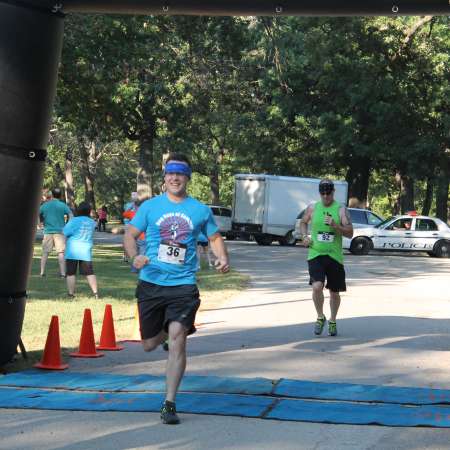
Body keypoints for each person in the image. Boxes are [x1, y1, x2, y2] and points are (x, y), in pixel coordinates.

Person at [123, 152, 229, 425]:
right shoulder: (149, 207)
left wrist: (222, 256)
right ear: (165, 177)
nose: (174, 178)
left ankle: (169, 403)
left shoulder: (199, 210)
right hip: (151, 282)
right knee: (148, 345)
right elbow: (130, 235)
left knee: (178, 336)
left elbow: (215, 237)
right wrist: (134, 256)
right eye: (170, 173)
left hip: (183, 285)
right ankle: (167, 332)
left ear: (187, 178)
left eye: (180, 173)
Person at [299, 179, 353, 337]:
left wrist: (336, 226)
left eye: (328, 193)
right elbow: (303, 222)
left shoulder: (341, 209)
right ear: (319, 193)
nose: (325, 196)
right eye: (322, 193)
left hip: (334, 256)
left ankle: (333, 320)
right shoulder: (312, 208)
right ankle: (320, 316)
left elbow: (350, 232)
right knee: (317, 286)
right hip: (315, 253)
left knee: (334, 293)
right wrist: (304, 236)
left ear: (333, 192)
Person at [63, 202, 98, 299]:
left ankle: (71, 294)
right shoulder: (92, 222)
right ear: (89, 211)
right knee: (89, 272)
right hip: (85, 251)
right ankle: (96, 293)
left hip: (72, 251)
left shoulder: (74, 221)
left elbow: (65, 232)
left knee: (70, 273)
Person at [39, 188, 72, 278]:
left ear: (52, 195)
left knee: (45, 252)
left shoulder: (45, 205)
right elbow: (71, 215)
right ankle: (63, 274)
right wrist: (67, 226)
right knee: (61, 253)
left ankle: (42, 272)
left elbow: (37, 213)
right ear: (61, 195)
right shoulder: (62, 205)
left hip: (48, 232)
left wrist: (39, 224)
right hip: (60, 232)